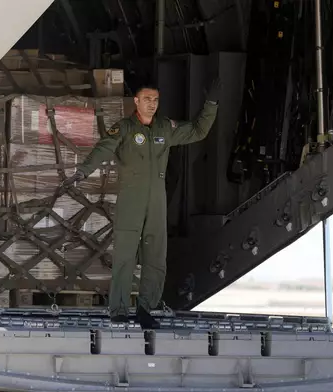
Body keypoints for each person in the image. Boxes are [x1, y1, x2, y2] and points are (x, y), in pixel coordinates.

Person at [63, 79, 221, 329]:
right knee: (124, 256)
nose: (152, 104)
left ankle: (146, 309)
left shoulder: (165, 128)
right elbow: (103, 149)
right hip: (131, 199)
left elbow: (198, 131)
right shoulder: (124, 128)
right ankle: (119, 310)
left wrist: (211, 103)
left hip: (157, 201)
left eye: (156, 100)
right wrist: (82, 172)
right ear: (136, 101)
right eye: (147, 99)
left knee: (156, 257)